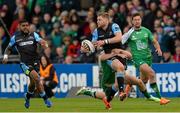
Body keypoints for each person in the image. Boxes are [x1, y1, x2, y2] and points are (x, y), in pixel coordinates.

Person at [76, 49, 162, 110]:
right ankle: (87, 91)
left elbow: (131, 58)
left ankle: (149, 97)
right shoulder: (108, 56)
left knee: (139, 82)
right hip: (109, 79)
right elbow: (101, 57)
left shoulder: (125, 55)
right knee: (106, 97)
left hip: (120, 75)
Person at [2, 19, 52, 108]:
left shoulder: (33, 35)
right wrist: (6, 56)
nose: (25, 27)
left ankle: (27, 97)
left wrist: (44, 43)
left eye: (27, 25)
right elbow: (8, 48)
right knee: (37, 78)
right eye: (23, 25)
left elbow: (41, 41)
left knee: (33, 83)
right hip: (24, 64)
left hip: (35, 62)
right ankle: (46, 99)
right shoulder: (15, 37)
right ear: (19, 27)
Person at [121, 13, 170, 104]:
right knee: (152, 73)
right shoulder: (129, 33)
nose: (137, 21)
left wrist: (158, 48)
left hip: (148, 58)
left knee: (143, 81)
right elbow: (120, 41)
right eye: (135, 20)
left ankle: (129, 85)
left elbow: (154, 41)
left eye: (138, 19)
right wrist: (121, 53)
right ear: (132, 21)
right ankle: (161, 98)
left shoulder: (146, 31)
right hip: (138, 59)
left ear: (141, 20)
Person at [81, 12, 126, 101]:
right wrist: (86, 48)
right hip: (109, 56)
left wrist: (104, 42)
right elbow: (94, 45)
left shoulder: (114, 26)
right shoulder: (96, 31)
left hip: (119, 55)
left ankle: (107, 100)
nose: (97, 21)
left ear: (106, 19)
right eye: (97, 19)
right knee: (120, 67)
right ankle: (122, 92)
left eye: (99, 19)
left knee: (117, 84)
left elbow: (119, 38)